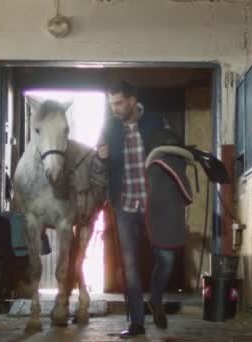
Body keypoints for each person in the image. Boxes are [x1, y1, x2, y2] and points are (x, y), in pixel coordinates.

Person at [97, 80, 173, 338]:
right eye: (111, 104)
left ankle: (157, 299)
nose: (114, 108)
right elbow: (100, 165)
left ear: (132, 101)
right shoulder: (108, 126)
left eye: (118, 103)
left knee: (167, 258)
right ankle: (137, 323)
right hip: (124, 205)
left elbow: (172, 157)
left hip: (156, 204)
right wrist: (102, 156)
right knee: (130, 266)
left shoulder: (156, 121)